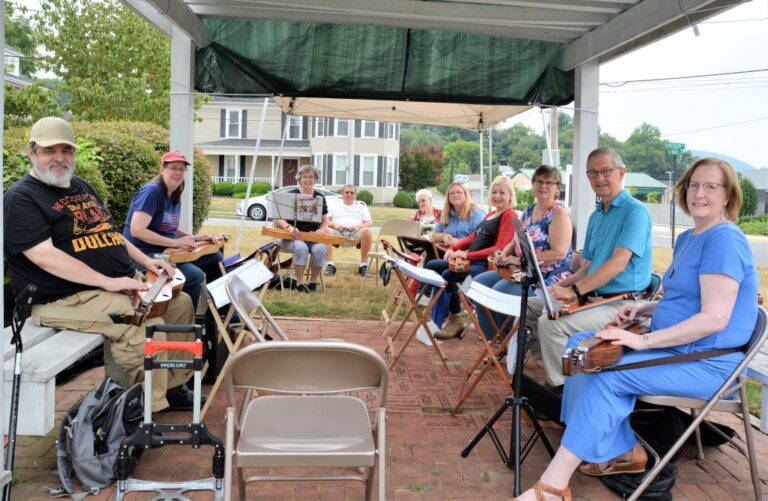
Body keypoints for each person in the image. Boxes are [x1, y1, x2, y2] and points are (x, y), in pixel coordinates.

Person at [512, 157, 758, 501]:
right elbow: (687, 300)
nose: (698, 193)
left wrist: (642, 341)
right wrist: (645, 307)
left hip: (707, 361)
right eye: (693, 185)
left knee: (605, 370)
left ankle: (554, 486)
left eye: (710, 186)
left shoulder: (724, 240)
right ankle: (621, 450)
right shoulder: (689, 237)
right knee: (582, 345)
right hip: (678, 351)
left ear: (728, 196)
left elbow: (713, 319)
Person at [3, 117, 200, 413]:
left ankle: (173, 387)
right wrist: (108, 282)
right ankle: (145, 410)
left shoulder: (81, 185)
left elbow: (111, 234)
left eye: (66, 150)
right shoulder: (22, 197)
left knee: (180, 303)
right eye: (49, 150)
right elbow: (44, 256)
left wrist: (147, 261)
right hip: (66, 298)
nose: (59, 158)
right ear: (31, 153)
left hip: (115, 283)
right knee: (139, 323)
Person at [526, 147, 653, 392]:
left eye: (606, 171)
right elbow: (589, 266)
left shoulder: (635, 212)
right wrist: (560, 286)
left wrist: (574, 290)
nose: (599, 178)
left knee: (550, 325)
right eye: (593, 173)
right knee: (530, 307)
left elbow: (617, 264)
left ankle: (562, 390)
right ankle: (558, 365)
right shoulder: (597, 215)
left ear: (622, 172)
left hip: (623, 305)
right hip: (594, 299)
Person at [472, 165, 573, 340]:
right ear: (533, 184)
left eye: (549, 182)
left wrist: (521, 261)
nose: (543, 186)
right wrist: (503, 254)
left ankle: (506, 341)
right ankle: (493, 338)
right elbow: (515, 239)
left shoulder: (559, 214)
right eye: (539, 181)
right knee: (478, 284)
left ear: (558, 188)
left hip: (546, 278)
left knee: (499, 291)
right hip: (524, 272)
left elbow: (558, 253)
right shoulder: (528, 211)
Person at [123, 150, 223, 309]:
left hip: (167, 253)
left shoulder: (174, 193)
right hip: (143, 256)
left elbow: (168, 226)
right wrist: (176, 243)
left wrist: (194, 238)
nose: (178, 173)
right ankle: (191, 325)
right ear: (162, 169)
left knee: (215, 256)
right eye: (173, 168)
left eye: (182, 169)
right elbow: (137, 230)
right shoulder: (152, 191)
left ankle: (218, 315)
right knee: (194, 275)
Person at [426, 176, 519, 339]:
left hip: (485, 265)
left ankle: (455, 319)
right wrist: (454, 248)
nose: (497, 196)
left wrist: (466, 254)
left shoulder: (509, 215)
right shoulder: (491, 213)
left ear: (510, 196)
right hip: (471, 260)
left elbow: (500, 248)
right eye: (494, 192)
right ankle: (444, 314)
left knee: (447, 275)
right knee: (433, 265)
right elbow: (473, 238)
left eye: (502, 193)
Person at [274, 164, 329, 293]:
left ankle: (312, 282)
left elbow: (325, 220)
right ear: (299, 178)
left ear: (315, 179)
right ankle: (299, 283)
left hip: (311, 237)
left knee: (321, 249)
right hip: (291, 238)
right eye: (304, 176)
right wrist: (289, 227)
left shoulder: (320, 197)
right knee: (301, 247)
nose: (308, 179)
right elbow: (278, 217)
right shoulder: (290, 195)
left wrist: (321, 229)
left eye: (311, 177)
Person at [323, 184, 373, 277]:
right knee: (326, 230)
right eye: (347, 192)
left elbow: (369, 223)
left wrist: (358, 226)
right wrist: (335, 225)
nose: (349, 194)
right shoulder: (334, 206)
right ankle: (330, 265)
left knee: (367, 231)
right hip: (337, 232)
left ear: (355, 195)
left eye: (352, 192)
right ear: (342, 194)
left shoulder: (361, 206)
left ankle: (363, 266)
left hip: (356, 232)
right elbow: (325, 221)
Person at [431, 181, 485, 247]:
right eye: (452, 193)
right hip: (446, 251)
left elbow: (482, 240)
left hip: (466, 254)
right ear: (448, 197)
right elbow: (434, 235)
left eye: (459, 192)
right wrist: (444, 236)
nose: (455, 195)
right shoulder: (447, 213)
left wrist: (459, 242)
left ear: (465, 195)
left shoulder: (476, 214)